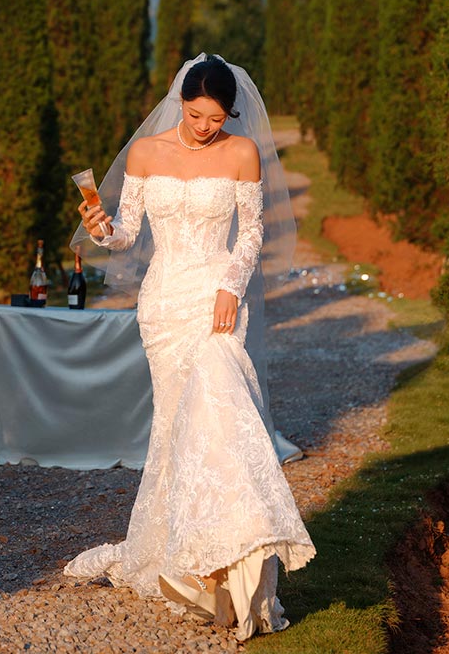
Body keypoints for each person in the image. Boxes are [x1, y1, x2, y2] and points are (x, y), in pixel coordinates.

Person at [64, 55, 314, 641]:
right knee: (176, 425)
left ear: (231, 114)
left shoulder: (242, 153)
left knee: (222, 420)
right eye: (196, 115)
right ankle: (179, 554)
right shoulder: (147, 153)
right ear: (180, 102)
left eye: (216, 118)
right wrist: (102, 229)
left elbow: (251, 233)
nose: (205, 127)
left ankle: (234, 564)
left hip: (218, 300)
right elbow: (127, 234)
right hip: (164, 304)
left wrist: (231, 286)